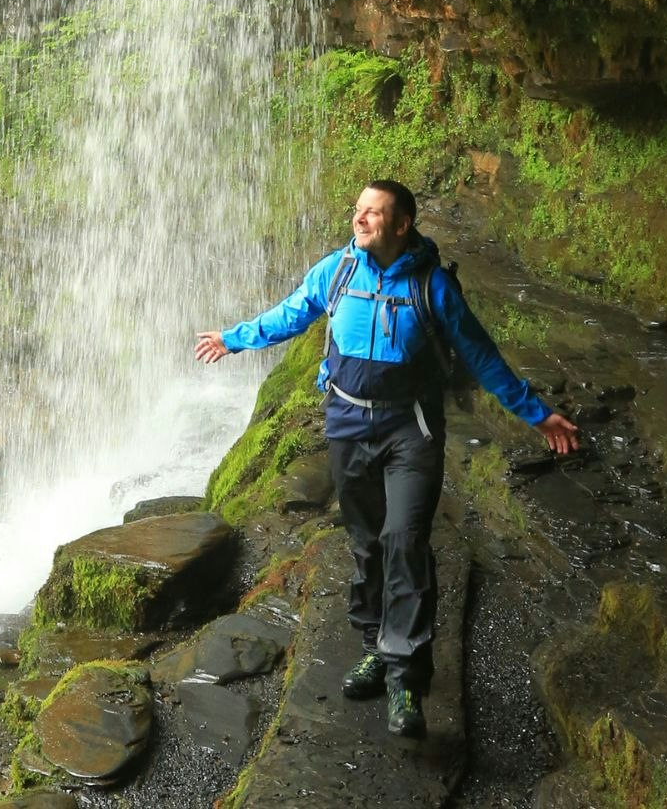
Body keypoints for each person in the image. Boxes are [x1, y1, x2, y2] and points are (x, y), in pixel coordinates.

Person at [194, 179, 577, 740]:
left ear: (402, 225)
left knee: (405, 540)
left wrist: (537, 414)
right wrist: (234, 339)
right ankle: (375, 645)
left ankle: (405, 676)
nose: (361, 219)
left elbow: (481, 355)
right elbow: (291, 314)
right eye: (358, 210)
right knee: (366, 541)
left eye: (374, 212)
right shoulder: (338, 272)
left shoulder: (433, 287)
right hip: (348, 423)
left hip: (410, 430)